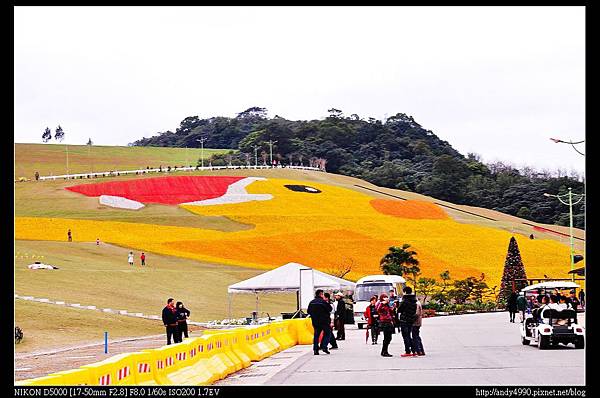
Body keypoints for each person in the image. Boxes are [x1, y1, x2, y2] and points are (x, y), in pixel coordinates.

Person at [307, 289, 332, 355]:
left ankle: (315, 349)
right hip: (324, 321)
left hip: (315, 321)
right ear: (321, 294)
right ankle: (324, 346)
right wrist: (327, 301)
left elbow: (308, 311)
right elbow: (330, 309)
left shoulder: (311, 302)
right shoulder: (323, 302)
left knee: (316, 335)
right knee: (327, 333)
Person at [397, 286, 418, 357]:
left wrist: (397, 305)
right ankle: (414, 350)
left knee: (405, 336)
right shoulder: (414, 300)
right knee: (409, 335)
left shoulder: (405, 301)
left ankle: (407, 351)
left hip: (404, 320)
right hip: (411, 320)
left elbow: (399, 310)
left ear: (405, 292)